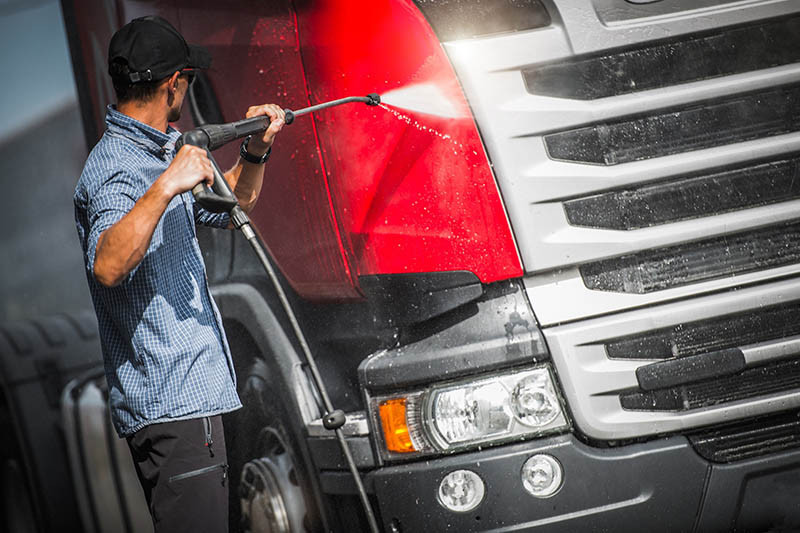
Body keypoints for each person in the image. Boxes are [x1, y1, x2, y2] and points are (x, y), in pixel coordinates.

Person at [73, 15, 284, 532]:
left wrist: (256, 147)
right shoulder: (117, 168)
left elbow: (235, 203)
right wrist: (166, 185)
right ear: (174, 85)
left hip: (195, 403)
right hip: (173, 411)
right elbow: (107, 264)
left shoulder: (157, 150)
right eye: (188, 81)